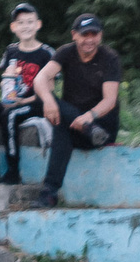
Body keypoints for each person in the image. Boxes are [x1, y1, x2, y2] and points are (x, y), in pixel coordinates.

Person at [30, 14, 119, 209]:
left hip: (101, 129)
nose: (89, 39)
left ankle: (49, 193)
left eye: (93, 34)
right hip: (76, 126)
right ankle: (49, 193)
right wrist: (48, 100)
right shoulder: (66, 52)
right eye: (84, 34)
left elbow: (110, 100)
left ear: (100, 35)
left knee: (61, 125)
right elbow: (40, 79)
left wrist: (89, 117)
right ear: (74, 35)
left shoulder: (109, 58)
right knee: (46, 103)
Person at [0, 3, 53, 187]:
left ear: (38, 24)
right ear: (14, 27)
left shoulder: (46, 53)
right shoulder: (11, 50)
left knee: (10, 116)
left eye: (30, 22)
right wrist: (8, 93)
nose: (25, 26)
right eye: (21, 22)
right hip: (14, 99)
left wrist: (23, 101)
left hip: (37, 101)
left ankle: (13, 171)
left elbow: (49, 89)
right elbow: (6, 79)